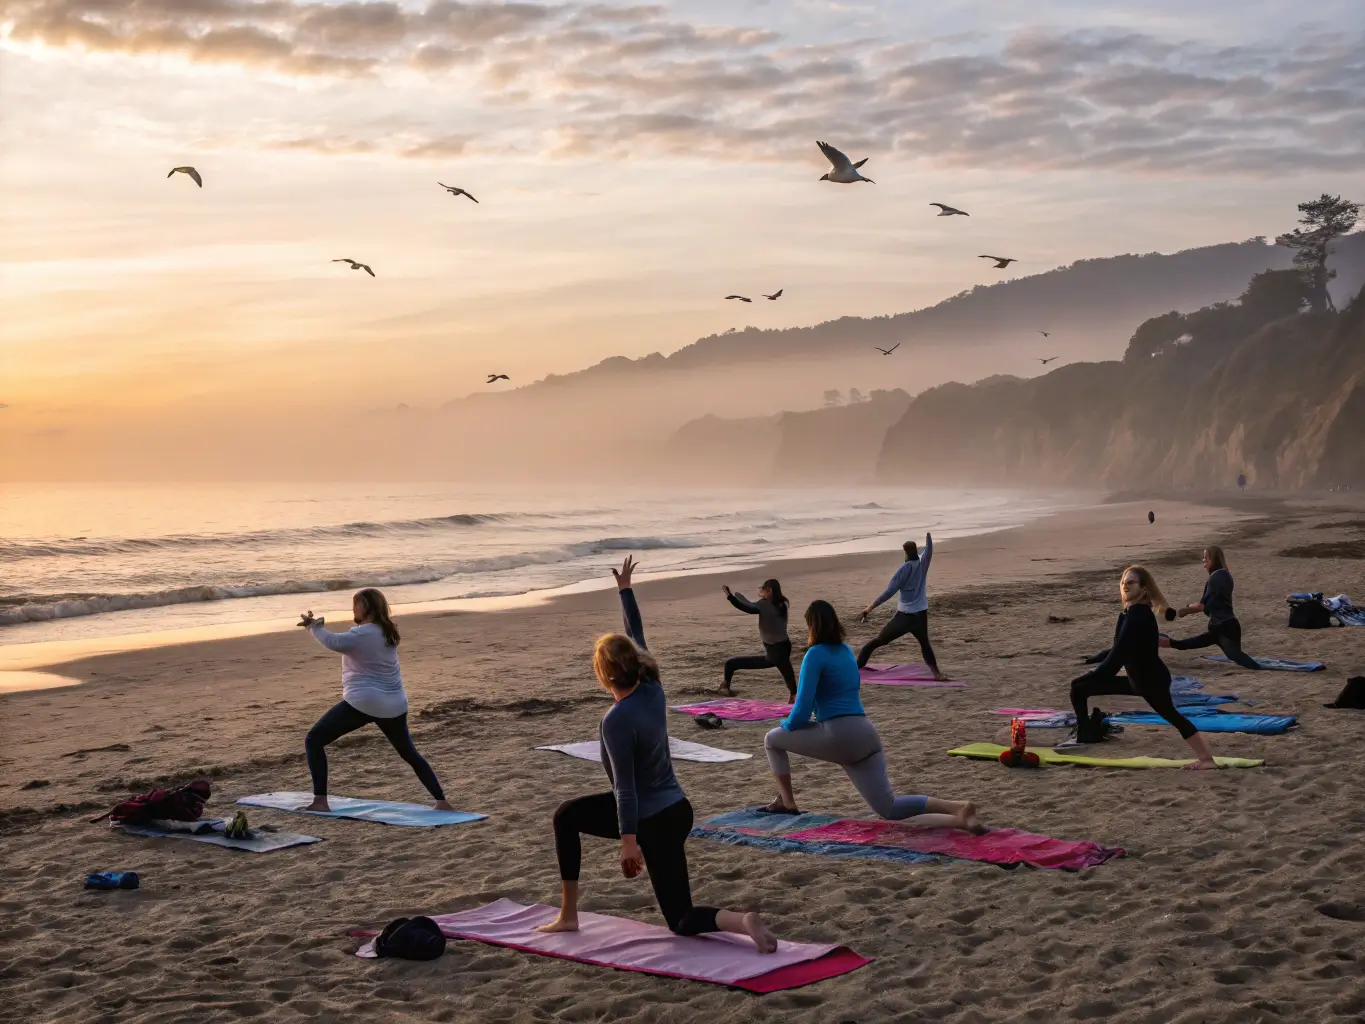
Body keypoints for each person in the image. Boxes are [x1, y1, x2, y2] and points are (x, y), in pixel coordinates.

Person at [536, 557, 778, 952]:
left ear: (604, 675)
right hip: (677, 810)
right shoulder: (652, 685)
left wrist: (628, 841)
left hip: (649, 818)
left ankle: (569, 916)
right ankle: (740, 921)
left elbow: (625, 789)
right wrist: (625, 590)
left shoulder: (616, 719)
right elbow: (636, 633)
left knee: (568, 818)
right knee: (569, 817)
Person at [762, 599, 984, 829]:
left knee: (772, 739)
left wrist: (785, 724)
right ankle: (958, 812)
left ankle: (787, 802)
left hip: (838, 735)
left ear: (813, 626)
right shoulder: (846, 651)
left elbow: (802, 710)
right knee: (889, 808)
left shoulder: (815, 654)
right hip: (866, 733)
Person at [296, 589, 453, 812]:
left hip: (364, 701)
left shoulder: (363, 634)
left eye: (357, 604)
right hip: (395, 703)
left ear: (367, 608)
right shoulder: (387, 631)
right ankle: (441, 801)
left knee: (314, 740)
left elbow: (333, 641)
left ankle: (320, 801)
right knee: (409, 753)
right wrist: (317, 626)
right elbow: (343, 640)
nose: (354, 608)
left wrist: (314, 626)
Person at [1067, 566, 1219, 770]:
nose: (1125, 586)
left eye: (1131, 582)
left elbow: (1120, 652)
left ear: (1144, 589)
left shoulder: (1139, 613)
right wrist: (1093, 661)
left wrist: (1099, 675)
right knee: (1078, 687)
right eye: (1123, 583)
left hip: (1151, 681)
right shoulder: (1129, 613)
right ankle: (1086, 733)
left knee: (1172, 715)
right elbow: (1119, 646)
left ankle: (1206, 759)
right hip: (1136, 679)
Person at [856, 533, 947, 680]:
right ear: (915, 551)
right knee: (925, 644)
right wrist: (928, 536)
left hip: (905, 617)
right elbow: (929, 550)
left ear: (905, 553)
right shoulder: (923, 563)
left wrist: (870, 607)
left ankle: (855, 668)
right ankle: (936, 673)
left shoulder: (904, 569)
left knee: (879, 641)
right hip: (920, 615)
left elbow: (889, 592)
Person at [1162, 546, 1260, 670]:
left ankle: (1259, 667)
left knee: (1237, 656)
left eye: (1206, 557)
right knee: (1187, 644)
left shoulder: (1218, 577)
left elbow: (1202, 606)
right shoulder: (1222, 574)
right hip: (1219, 627)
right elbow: (1206, 604)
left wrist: (1184, 611)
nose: (1203, 560)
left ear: (1213, 559)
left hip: (1225, 627)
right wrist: (1188, 608)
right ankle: (1162, 641)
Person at [718, 579, 797, 699]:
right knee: (731, 664)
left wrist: (730, 597)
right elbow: (751, 605)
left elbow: (748, 608)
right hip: (780, 649)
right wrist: (738, 597)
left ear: (769, 590)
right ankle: (725, 687)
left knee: (789, 678)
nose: (761, 592)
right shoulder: (782, 603)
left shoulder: (766, 605)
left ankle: (795, 697)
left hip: (776, 650)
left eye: (763, 590)